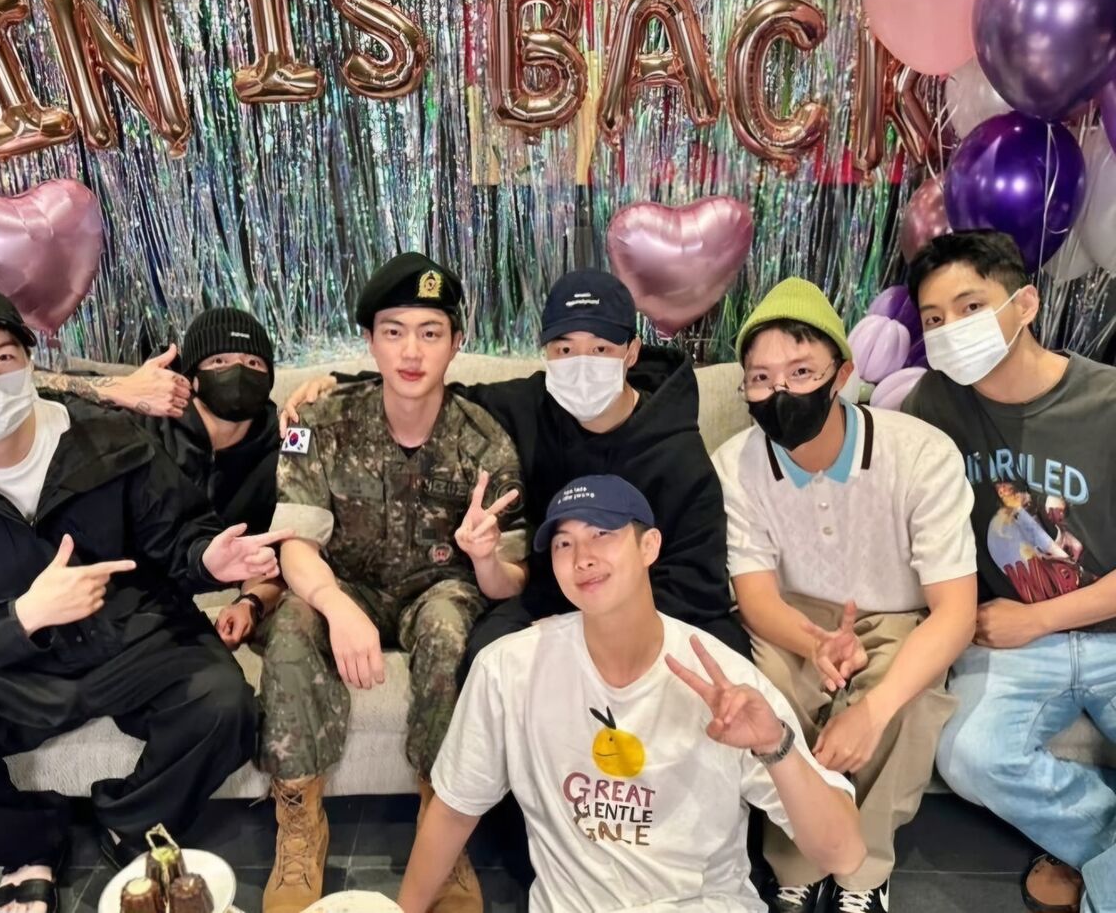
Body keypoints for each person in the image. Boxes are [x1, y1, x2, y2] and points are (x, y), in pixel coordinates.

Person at [0, 284, 288, 913]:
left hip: (131, 637)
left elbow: (179, 534)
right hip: (7, 668)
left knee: (226, 707)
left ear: (28, 362)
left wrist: (208, 560)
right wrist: (23, 617)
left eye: (5, 358)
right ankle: (29, 845)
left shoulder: (109, 436)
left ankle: (130, 826)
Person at [397, 474, 865, 913]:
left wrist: (774, 746)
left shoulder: (724, 681)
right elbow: (454, 811)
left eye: (602, 533)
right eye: (563, 543)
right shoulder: (508, 669)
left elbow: (843, 854)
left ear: (649, 546)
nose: (582, 557)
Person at [281, 268, 746, 662]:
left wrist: (588, 626)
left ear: (631, 351)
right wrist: (340, 383)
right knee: (487, 650)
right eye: (565, 350)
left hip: (650, 608)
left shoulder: (679, 453)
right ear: (547, 352)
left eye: (601, 349)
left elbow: (696, 587)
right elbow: (436, 396)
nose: (582, 364)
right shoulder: (529, 405)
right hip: (548, 591)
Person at [258, 253, 528, 913]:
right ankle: (300, 823)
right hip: (344, 582)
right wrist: (333, 604)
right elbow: (294, 543)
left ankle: (444, 823)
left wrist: (485, 558)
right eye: (394, 331)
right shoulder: (314, 425)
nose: (412, 351)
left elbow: (508, 581)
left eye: (430, 332)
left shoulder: (485, 442)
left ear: (456, 341)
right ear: (370, 341)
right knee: (290, 627)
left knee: (450, 631)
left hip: (438, 588)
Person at [710, 277, 977, 913]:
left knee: (909, 704)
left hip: (899, 612)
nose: (781, 392)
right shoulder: (736, 463)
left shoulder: (920, 453)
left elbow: (955, 612)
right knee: (770, 694)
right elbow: (755, 596)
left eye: (802, 371)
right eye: (760, 379)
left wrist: (873, 710)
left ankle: (862, 870)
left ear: (843, 374)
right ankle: (797, 861)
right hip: (791, 613)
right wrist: (814, 644)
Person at [903, 230, 1116, 913]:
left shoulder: (1107, 402)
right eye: (934, 318)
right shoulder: (933, 406)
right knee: (969, 754)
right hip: (1010, 647)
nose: (951, 329)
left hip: (1094, 626)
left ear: (1024, 304)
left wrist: (1039, 618)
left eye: (970, 307)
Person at [40, 308, 281, 650]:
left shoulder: (281, 447)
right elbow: (26, 389)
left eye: (253, 363)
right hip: (133, 600)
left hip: (212, 590)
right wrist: (117, 388)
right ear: (192, 377)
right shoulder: (141, 423)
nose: (238, 372)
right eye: (220, 361)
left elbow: (278, 553)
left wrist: (250, 603)